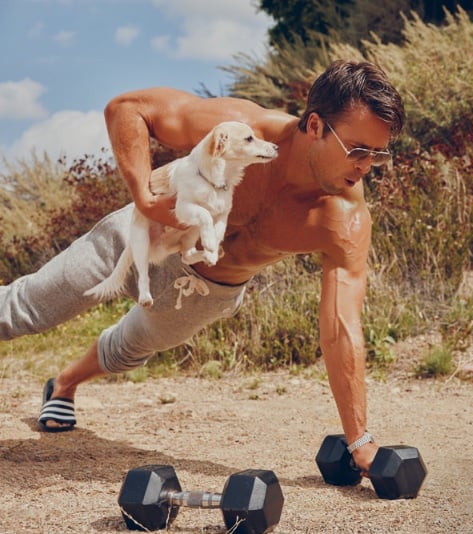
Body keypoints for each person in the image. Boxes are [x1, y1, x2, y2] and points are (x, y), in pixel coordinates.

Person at [0, 59, 405, 473]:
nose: (366, 166)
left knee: (129, 348)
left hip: (206, 292)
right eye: (358, 149)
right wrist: (142, 194)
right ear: (316, 126)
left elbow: (340, 328)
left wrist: (360, 441)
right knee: (25, 306)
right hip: (140, 234)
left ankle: (65, 383)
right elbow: (128, 108)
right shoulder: (239, 127)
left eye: (378, 154)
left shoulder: (343, 220)